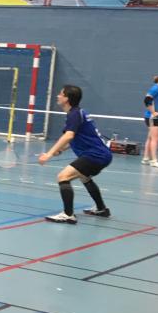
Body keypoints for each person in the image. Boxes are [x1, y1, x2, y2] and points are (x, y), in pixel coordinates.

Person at [38, 85, 112, 223]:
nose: (58, 96)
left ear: (67, 98)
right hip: (102, 154)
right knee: (84, 177)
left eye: (61, 94)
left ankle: (68, 214)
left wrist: (49, 154)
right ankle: (101, 209)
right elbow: (75, 138)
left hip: (95, 155)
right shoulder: (78, 113)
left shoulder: (74, 114)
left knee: (63, 176)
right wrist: (61, 150)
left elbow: (69, 136)